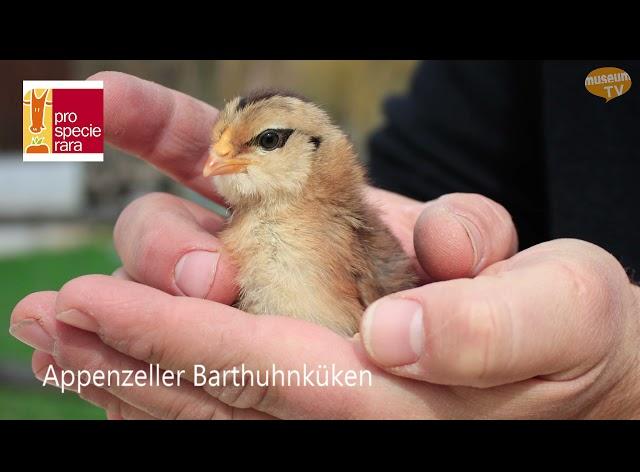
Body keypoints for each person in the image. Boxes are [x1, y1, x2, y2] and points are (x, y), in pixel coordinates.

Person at [9, 61, 640, 419]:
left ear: (314, 150)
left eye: (268, 140)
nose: (222, 159)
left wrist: (621, 384)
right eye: (223, 144)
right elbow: (424, 181)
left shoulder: (343, 237)